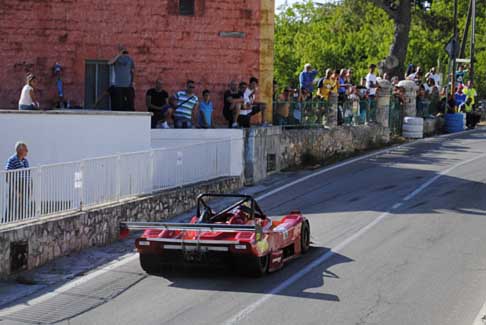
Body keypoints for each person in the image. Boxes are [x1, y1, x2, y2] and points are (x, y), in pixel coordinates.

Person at [4, 142, 31, 221]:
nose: (27, 151)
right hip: (16, 185)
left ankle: (21, 220)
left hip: (25, 185)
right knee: (11, 205)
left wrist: (30, 187)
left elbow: (28, 174)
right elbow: (7, 174)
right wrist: (14, 189)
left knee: (23, 205)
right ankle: (7, 222)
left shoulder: (25, 161)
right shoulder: (12, 159)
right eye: (25, 149)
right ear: (20, 150)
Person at [109, 46, 135, 111]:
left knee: (129, 103)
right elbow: (109, 63)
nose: (124, 54)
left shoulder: (130, 60)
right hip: (118, 85)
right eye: (122, 51)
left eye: (125, 52)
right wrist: (118, 55)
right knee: (118, 104)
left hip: (128, 85)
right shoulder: (116, 59)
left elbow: (132, 71)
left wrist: (132, 82)